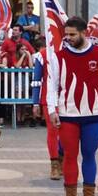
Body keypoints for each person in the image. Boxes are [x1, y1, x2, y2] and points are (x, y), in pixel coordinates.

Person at [46, 17, 98, 196]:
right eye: (66, 34)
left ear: (84, 33)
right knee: (70, 156)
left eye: (72, 34)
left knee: (89, 155)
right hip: (67, 115)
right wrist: (52, 110)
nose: (68, 38)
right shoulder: (58, 56)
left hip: (94, 114)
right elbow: (52, 86)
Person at [31, 41, 63, 180]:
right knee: (53, 131)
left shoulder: (70, 52)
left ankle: (63, 162)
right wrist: (35, 103)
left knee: (67, 133)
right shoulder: (42, 55)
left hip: (68, 99)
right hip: (48, 99)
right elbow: (37, 80)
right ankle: (55, 165)